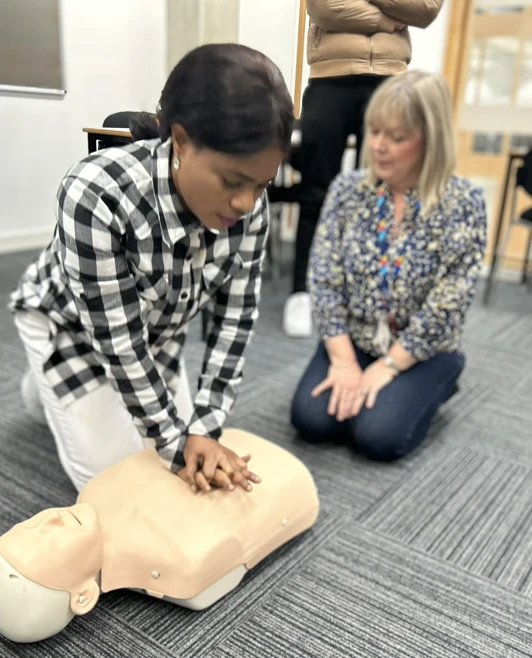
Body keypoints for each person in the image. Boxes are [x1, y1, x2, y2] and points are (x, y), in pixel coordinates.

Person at [9, 44, 294, 494]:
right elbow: (118, 343)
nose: (246, 204)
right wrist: (176, 443)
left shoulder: (251, 208)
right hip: (71, 329)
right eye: (233, 182)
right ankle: (49, 383)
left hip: (156, 334)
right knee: (119, 486)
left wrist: (206, 426)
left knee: (176, 459)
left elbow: (234, 322)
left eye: (261, 185)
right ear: (180, 142)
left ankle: (55, 397)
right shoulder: (96, 194)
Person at [290, 70, 487, 460]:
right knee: (311, 421)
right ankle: (372, 383)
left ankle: (443, 377)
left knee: (378, 437)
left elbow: (448, 304)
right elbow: (324, 280)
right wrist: (345, 361)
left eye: (397, 138)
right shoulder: (348, 191)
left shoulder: (463, 203)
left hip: (423, 347)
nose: (378, 146)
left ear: (431, 140)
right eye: (375, 131)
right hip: (358, 339)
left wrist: (390, 367)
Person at [0, 429, 319, 644]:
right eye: (46, 544)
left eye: (24, 526)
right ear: (83, 596)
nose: (47, 521)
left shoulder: (93, 490)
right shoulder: (179, 559)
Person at [282, 0, 444, 337]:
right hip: (330, 78)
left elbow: (426, 9)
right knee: (316, 190)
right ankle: (302, 291)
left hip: (389, 81)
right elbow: (324, 8)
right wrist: (390, 19)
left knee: (384, 193)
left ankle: (371, 292)